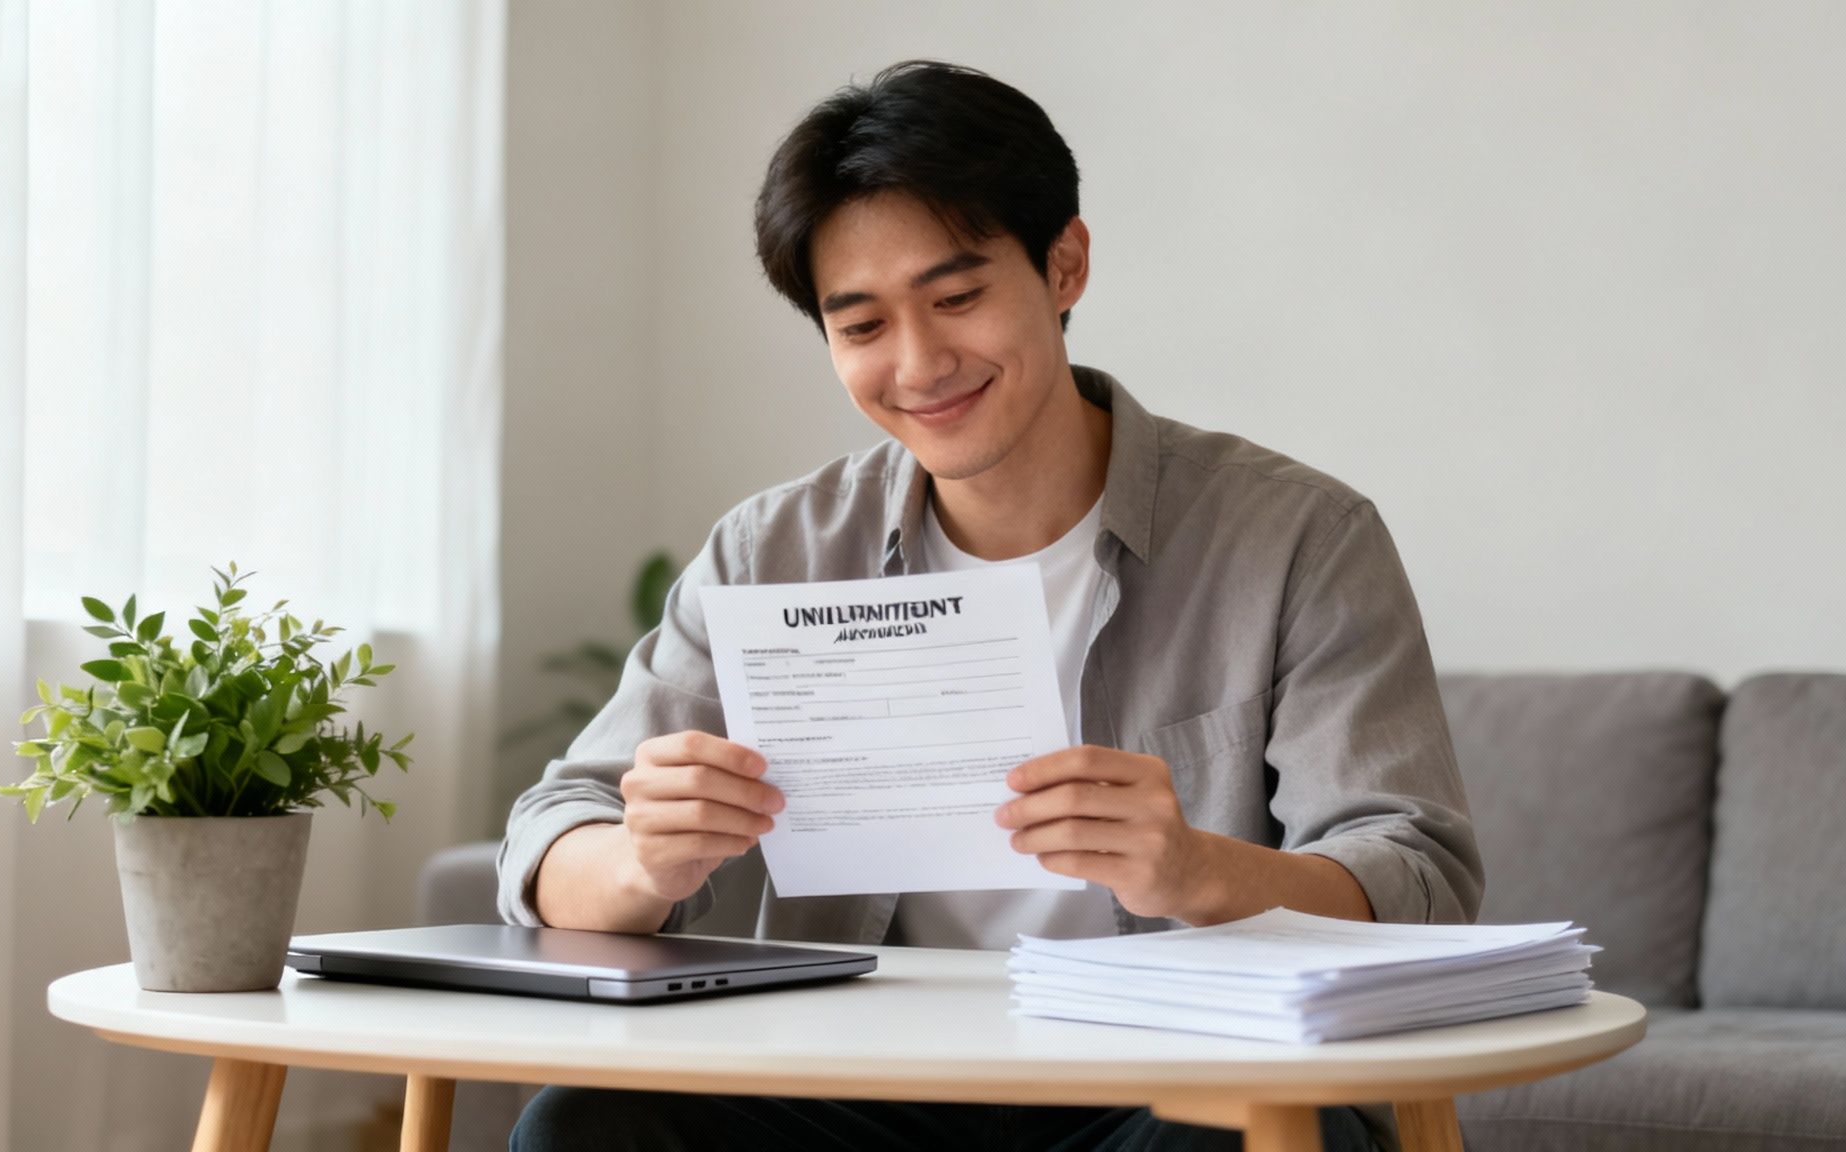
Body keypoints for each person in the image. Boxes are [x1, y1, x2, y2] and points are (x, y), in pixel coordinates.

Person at [500, 60, 1483, 1152]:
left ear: (1064, 265)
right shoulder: (773, 551)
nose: (918, 365)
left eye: (957, 298)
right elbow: (550, 842)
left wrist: (1199, 871)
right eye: (861, 325)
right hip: (856, 1086)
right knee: (583, 1125)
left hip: (1174, 1080)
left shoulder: (1296, 537)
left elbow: (1419, 880)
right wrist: (643, 861)